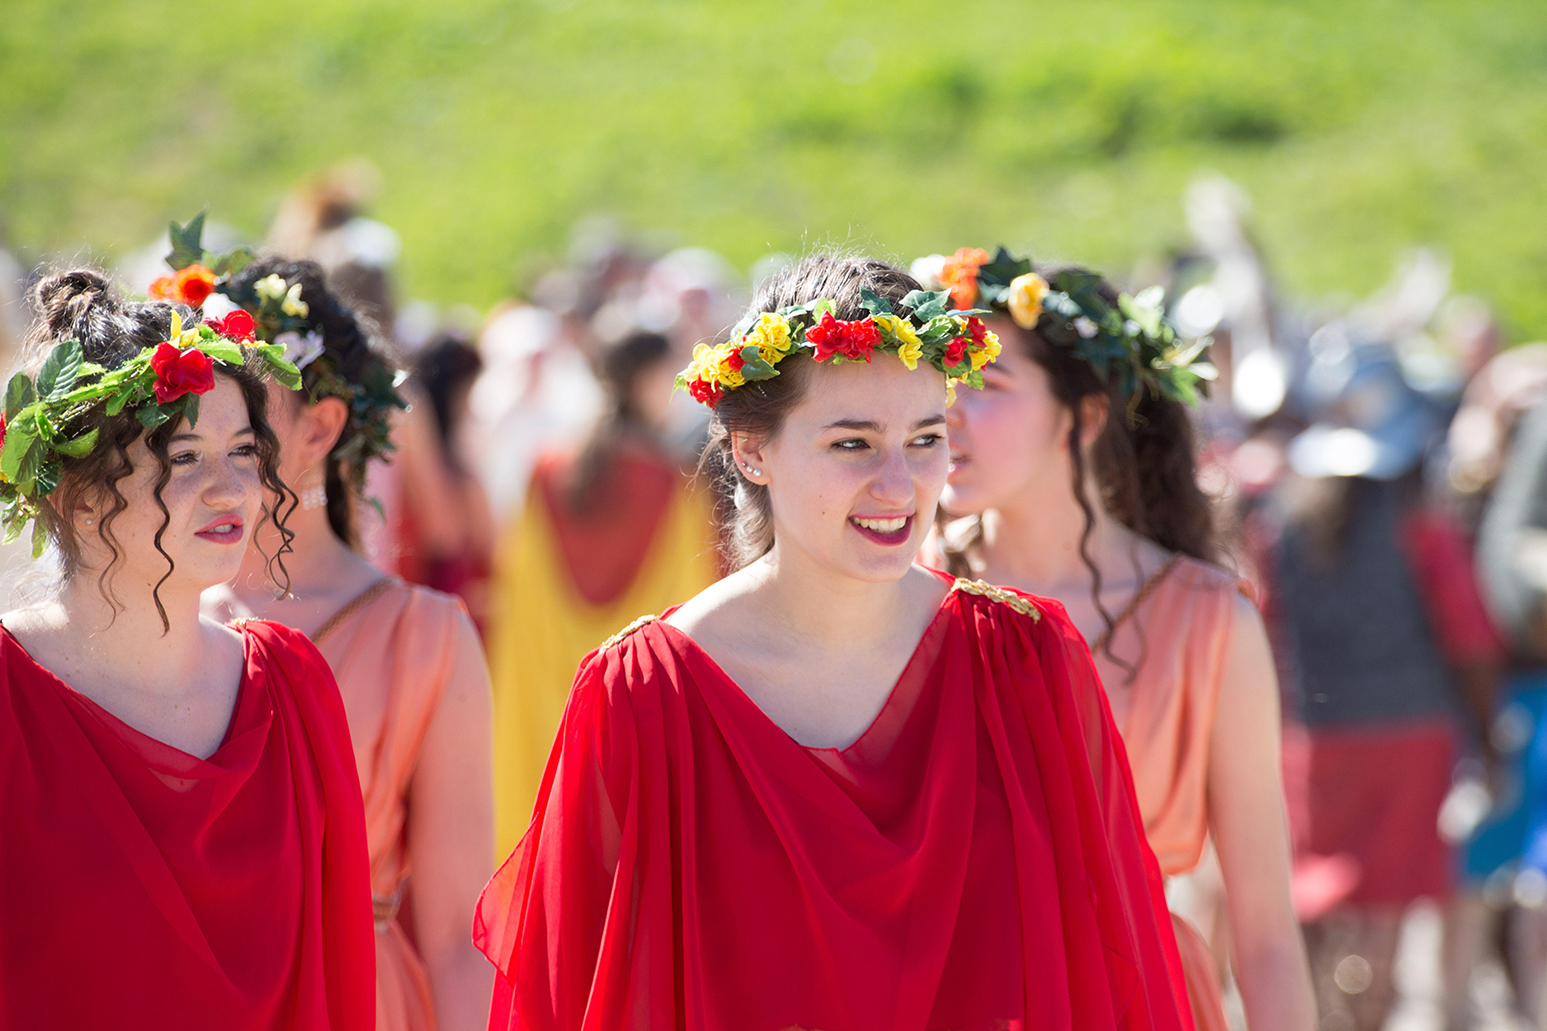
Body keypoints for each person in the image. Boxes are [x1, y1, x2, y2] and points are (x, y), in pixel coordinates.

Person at [475, 254, 1193, 1031]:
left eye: (924, 438)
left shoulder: (1026, 661)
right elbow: (574, 996)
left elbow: (1112, 979)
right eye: (852, 443)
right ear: (750, 449)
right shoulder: (644, 694)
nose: (897, 484)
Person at [922, 247, 1313, 1031]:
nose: (948, 411)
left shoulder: (1205, 617)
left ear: (1085, 415)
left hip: (1138, 998)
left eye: (988, 384)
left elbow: (1266, 931)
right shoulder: (902, 590)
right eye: (942, 382)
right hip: (944, 995)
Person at [0, 269, 374, 1027]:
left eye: (243, 450)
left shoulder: (293, 688)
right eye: (182, 457)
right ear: (76, 487)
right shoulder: (11, 700)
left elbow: (338, 981)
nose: (231, 487)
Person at [194, 254, 495, 1031]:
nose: (206, 441)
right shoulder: (154, 607)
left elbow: (461, 933)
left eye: (245, 418)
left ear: (320, 426)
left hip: (351, 997)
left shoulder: (424, 635)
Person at [1267, 339, 1499, 1031]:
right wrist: (1485, 735)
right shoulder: (1418, 521)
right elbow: (1467, 634)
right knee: (1386, 909)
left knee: (1316, 900)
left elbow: (1264, 626)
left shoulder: (1277, 522)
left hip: (1311, 736)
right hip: (1409, 734)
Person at [484, 327, 718, 856]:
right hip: (630, 707)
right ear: (642, 380)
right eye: (669, 375)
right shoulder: (677, 482)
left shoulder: (546, 471)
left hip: (546, 700)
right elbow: (691, 607)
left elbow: (514, 590)